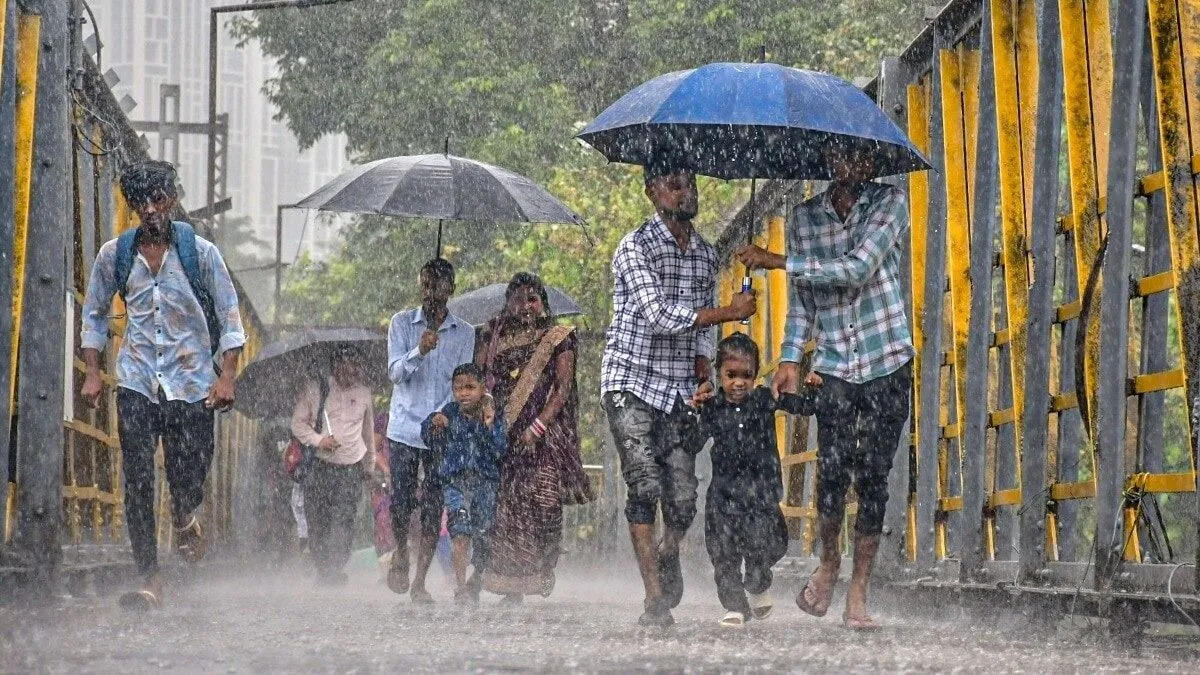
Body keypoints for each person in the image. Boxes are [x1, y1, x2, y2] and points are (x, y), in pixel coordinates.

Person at [737, 145, 915, 631]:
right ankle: (830, 562)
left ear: (873, 161)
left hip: (885, 360)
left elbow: (858, 268)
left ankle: (859, 589)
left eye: (859, 155)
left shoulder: (890, 204)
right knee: (832, 475)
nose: (849, 162)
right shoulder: (804, 217)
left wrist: (777, 260)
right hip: (834, 363)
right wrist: (791, 357)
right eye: (839, 152)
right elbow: (803, 303)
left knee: (874, 478)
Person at [79, 160, 245, 610]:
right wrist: (94, 371)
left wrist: (227, 376)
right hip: (136, 379)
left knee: (188, 473)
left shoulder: (201, 254)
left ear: (171, 200)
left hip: (192, 383)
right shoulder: (115, 255)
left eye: (159, 200)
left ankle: (186, 511)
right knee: (136, 478)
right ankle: (149, 578)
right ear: (133, 206)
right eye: (141, 203)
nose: (151, 209)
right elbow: (94, 312)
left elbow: (231, 316)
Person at [601, 162, 757, 628]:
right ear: (652, 192)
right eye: (674, 184)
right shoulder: (635, 248)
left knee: (684, 498)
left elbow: (700, 337)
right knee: (644, 485)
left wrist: (705, 366)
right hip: (629, 381)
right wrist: (730, 311)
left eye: (691, 183)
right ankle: (654, 599)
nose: (686, 192)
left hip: (677, 389)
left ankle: (667, 552)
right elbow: (661, 316)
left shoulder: (706, 255)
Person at [477, 273, 594, 603]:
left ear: (543, 303)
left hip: (545, 434)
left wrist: (538, 427)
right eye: (518, 299)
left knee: (543, 503)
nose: (526, 305)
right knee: (510, 509)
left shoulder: (559, 337)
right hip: (504, 434)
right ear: (508, 303)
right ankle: (513, 588)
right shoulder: (494, 335)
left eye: (532, 298)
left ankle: (541, 569)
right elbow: (482, 381)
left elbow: (562, 388)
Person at [692, 334, 819, 628]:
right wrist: (692, 411)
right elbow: (692, 443)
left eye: (746, 376)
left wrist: (813, 391)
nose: (739, 383)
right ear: (718, 375)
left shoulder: (763, 399)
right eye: (731, 375)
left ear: (757, 374)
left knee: (771, 544)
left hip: (761, 495)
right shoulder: (712, 409)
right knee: (723, 555)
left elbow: (804, 408)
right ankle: (735, 607)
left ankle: (758, 581)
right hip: (723, 498)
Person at [386, 258, 475, 603]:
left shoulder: (465, 333)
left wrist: (447, 415)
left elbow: (463, 382)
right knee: (401, 502)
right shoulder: (402, 323)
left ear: (451, 288)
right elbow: (395, 373)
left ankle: (420, 581)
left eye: (437, 285)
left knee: (433, 504)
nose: (429, 292)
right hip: (405, 428)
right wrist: (418, 350)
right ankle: (401, 552)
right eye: (424, 285)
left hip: (441, 431)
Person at [421, 363, 508, 604]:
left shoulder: (493, 415)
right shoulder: (449, 412)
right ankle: (461, 589)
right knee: (459, 531)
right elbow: (427, 436)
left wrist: (489, 426)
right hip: (455, 483)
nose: (464, 393)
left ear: (483, 388)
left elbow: (501, 448)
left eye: (470, 387)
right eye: (458, 388)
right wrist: (434, 423)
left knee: (483, 533)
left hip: (485, 484)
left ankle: (476, 578)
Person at [290, 347, 376, 585]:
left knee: (345, 518)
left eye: (357, 365)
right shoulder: (316, 389)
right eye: (349, 365)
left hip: (351, 468)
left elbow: (368, 433)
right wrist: (320, 440)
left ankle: (335, 567)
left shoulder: (365, 393)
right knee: (318, 519)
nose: (354, 371)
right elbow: (298, 425)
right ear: (337, 366)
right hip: (320, 466)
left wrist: (369, 466)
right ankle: (324, 569)